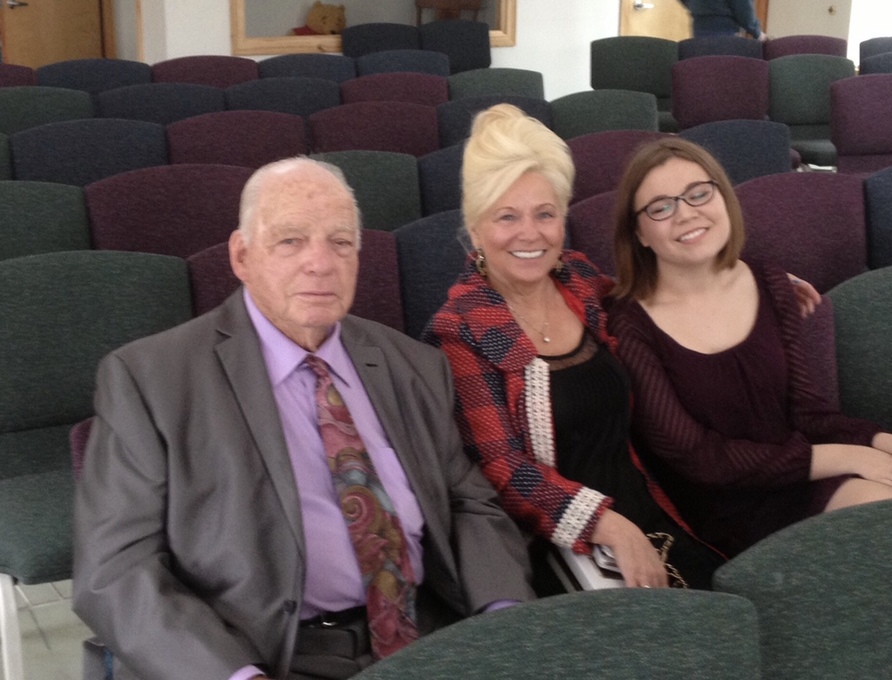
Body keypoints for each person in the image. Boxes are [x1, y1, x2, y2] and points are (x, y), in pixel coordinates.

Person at [72, 157, 534, 680]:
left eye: (340, 242)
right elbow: (114, 569)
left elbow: (467, 502)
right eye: (290, 241)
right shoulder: (151, 379)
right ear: (242, 256)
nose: (321, 263)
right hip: (265, 651)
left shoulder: (413, 364)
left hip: (426, 633)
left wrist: (503, 615)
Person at [422, 104, 727, 591]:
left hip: (648, 503)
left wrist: (735, 280)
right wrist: (610, 527)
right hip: (557, 539)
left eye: (545, 214)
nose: (530, 234)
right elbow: (503, 469)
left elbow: (656, 297)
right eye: (507, 217)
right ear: (475, 229)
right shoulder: (460, 330)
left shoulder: (579, 280)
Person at [608, 137, 892, 558]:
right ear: (639, 233)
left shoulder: (770, 280)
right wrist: (854, 458)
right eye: (661, 207)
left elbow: (809, 415)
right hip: (724, 513)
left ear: (723, 196)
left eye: (699, 193)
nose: (686, 213)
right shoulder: (629, 324)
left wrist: (879, 440)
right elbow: (701, 460)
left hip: (805, 476)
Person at [679, 0, 767, 40]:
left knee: (703, 71)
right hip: (725, 32)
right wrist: (757, 33)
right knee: (723, 73)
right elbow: (743, 9)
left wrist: (696, 6)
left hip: (698, 28)